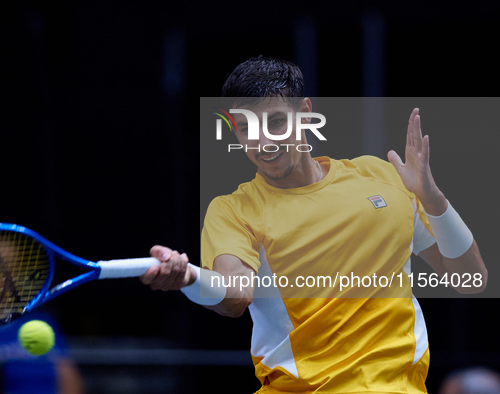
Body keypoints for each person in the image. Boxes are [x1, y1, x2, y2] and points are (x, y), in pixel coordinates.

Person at [140, 56, 487, 393]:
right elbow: (236, 295)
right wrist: (189, 278)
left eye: (275, 122)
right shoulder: (233, 210)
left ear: (305, 113)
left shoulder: (381, 176)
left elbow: (470, 280)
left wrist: (434, 200)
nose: (263, 143)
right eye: (247, 129)